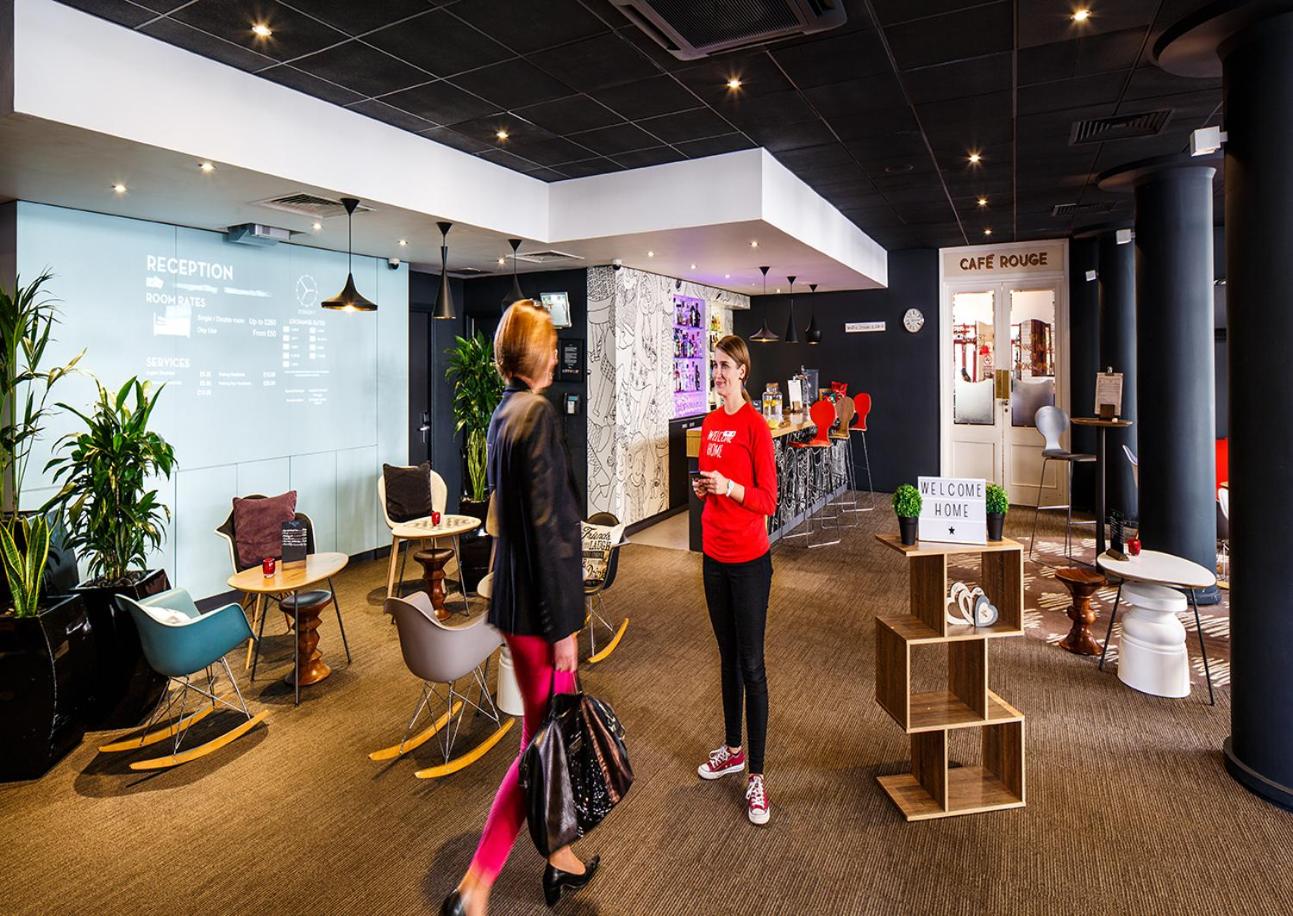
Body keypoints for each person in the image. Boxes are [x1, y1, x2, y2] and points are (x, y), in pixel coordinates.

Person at [443, 301, 598, 916]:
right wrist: (566, 626)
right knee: (540, 746)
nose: (559, 354)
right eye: (553, 346)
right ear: (536, 356)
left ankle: (559, 859)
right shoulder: (536, 415)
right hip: (540, 615)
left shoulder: (502, 413)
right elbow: (550, 532)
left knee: (547, 739)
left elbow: (504, 519)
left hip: (512, 604)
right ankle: (475, 887)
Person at [691, 335, 778, 825]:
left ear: (743, 371)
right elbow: (713, 486)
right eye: (714, 366)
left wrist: (730, 487)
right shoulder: (710, 423)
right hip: (713, 556)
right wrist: (708, 489)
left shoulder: (754, 426)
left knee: (751, 664)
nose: (717, 373)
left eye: (724, 366)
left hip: (749, 561)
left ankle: (758, 778)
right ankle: (732, 748)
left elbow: (767, 499)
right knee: (726, 658)